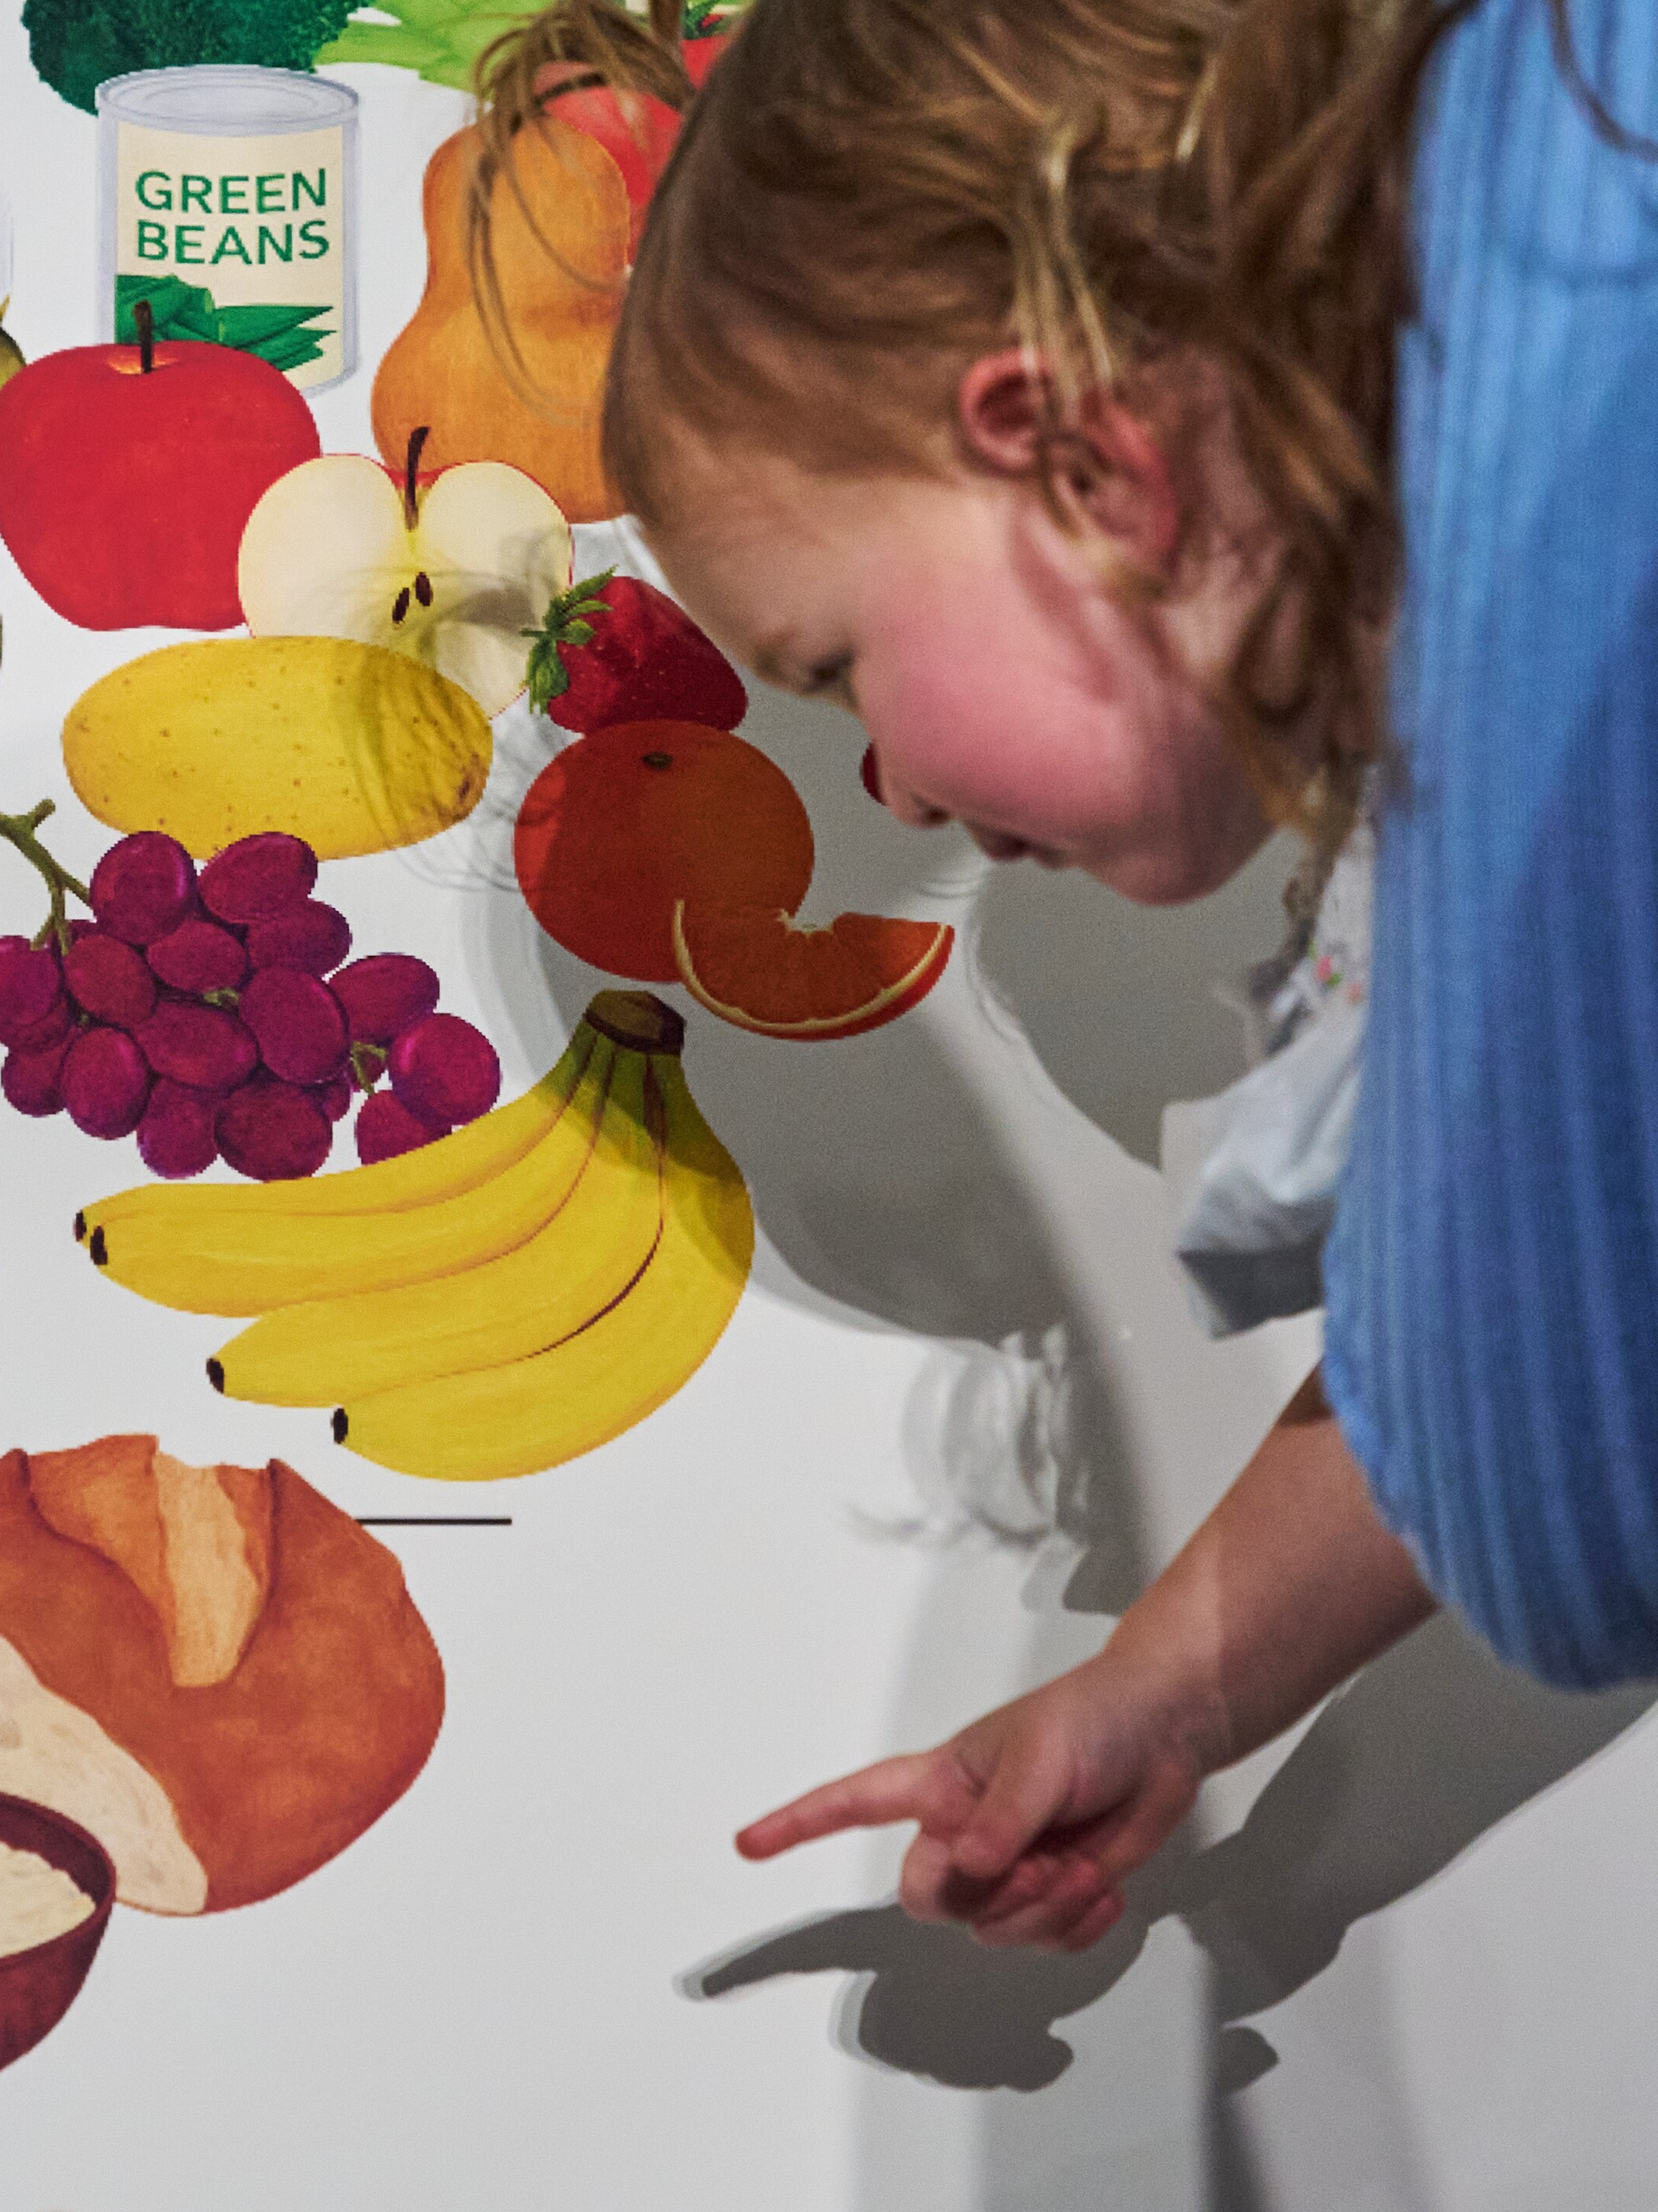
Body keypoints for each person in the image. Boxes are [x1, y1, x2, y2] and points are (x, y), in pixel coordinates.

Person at [496, 0, 1654, 1954]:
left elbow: (1560, 1479)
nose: (882, 776)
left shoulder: (1578, 630)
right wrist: (1170, 1686)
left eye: (839, 660)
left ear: (1066, 456)